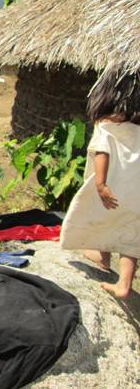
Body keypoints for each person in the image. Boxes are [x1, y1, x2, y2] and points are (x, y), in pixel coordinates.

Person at [61, 68, 140, 300]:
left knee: (100, 219)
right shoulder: (137, 128)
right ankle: (124, 283)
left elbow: (102, 151)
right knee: (130, 235)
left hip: (109, 189)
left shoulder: (105, 126)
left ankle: (102, 255)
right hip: (135, 191)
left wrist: (100, 184)